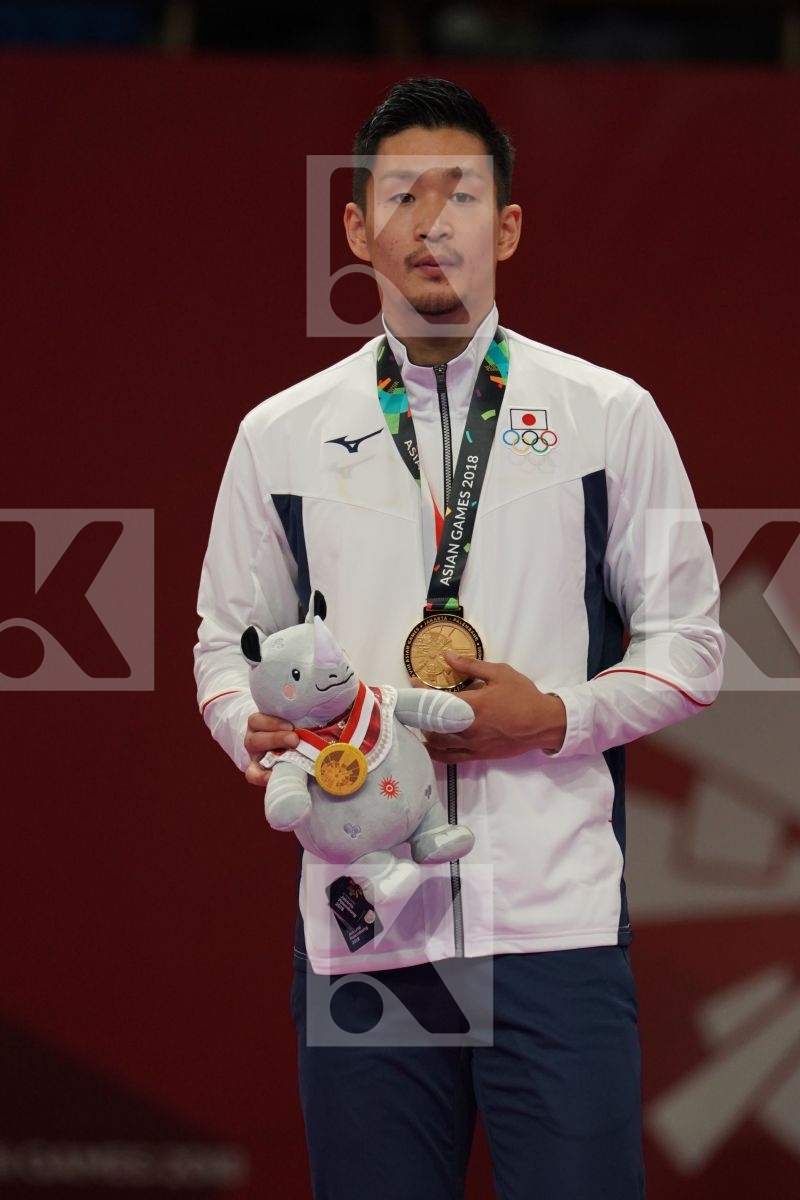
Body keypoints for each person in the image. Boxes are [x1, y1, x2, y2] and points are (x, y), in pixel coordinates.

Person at [194, 77, 724, 1200]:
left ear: (508, 226)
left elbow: (690, 647)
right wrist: (254, 730)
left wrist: (554, 717)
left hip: (553, 925)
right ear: (356, 230)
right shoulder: (281, 435)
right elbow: (222, 648)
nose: (432, 222)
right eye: (403, 195)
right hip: (367, 920)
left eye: (462, 195)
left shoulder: (605, 415)